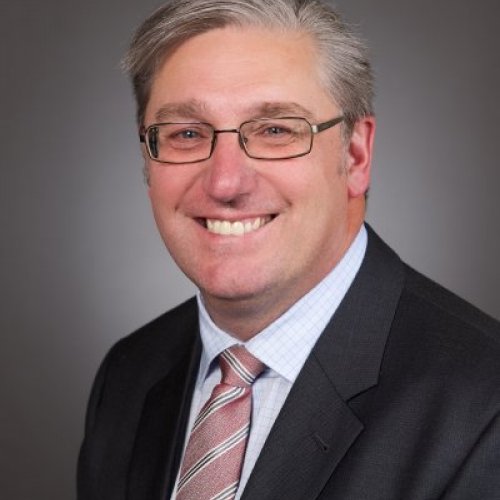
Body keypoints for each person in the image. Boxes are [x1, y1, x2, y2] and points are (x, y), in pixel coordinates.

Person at [77, 1, 500, 499]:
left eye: (275, 130)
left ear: (356, 154)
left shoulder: (484, 406)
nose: (226, 182)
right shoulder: (129, 373)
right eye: (186, 134)